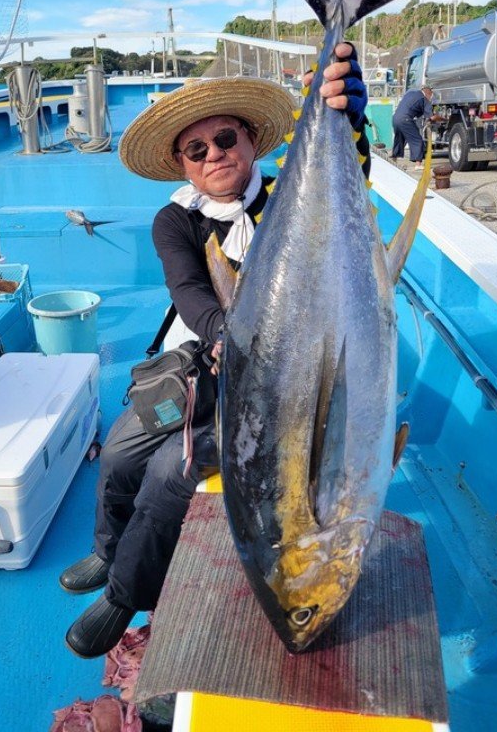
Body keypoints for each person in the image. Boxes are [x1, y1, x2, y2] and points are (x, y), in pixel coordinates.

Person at [59, 44, 368, 658]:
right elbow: (189, 291)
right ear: (183, 165)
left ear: (251, 141)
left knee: (168, 478)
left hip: (279, 383)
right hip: (199, 361)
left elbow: (348, 197)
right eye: (195, 151)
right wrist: (226, 338)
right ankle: (106, 548)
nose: (213, 155)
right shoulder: (174, 220)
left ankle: (123, 595)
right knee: (119, 453)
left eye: (224, 139)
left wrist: (349, 123)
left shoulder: (291, 197)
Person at [391, 83, 433, 162]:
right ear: (428, 92)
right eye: (431, 94)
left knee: (399, 138)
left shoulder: (410, 93)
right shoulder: (424, 99)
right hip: (405, 119)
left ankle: (394, 159)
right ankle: (418, 164)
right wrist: (443, 119)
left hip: (395, 118)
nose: (431, 96)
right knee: (417, 140)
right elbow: (431, 117)